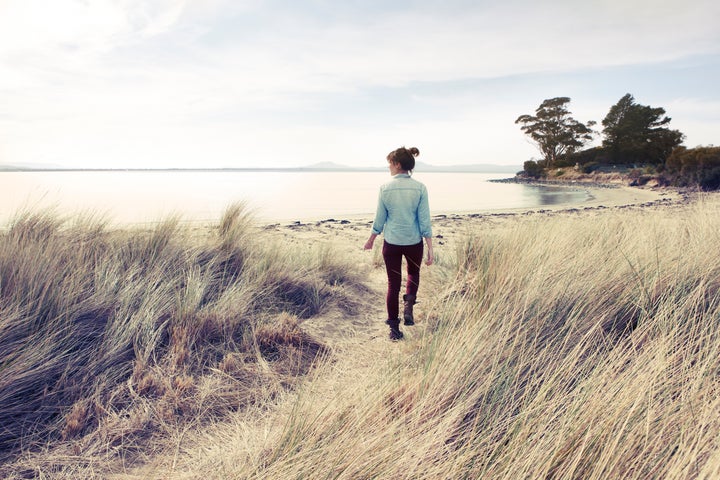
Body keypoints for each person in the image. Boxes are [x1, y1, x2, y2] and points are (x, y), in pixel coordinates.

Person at [364, 146, 434, 341]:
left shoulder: (385, 188)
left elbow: (379, 218)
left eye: (390, 163)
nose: (388, 167)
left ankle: (394, 330)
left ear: (397, 164)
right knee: (413, 273)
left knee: (393, 285)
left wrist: (371, 238)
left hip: (392, 242)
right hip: (413, 242)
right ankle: (409, 305)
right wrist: (430, 247)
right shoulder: (420, 187)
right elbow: (424, 220)